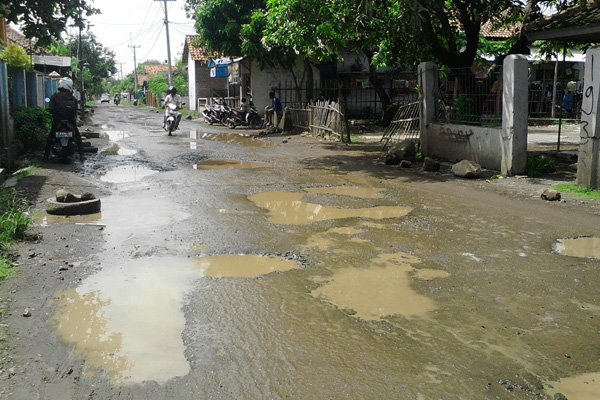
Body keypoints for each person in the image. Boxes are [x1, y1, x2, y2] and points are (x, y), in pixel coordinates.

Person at [43, 77, 85, 162]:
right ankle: (82, 155)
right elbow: (76, 111)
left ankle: (46, 155)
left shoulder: (55, 96)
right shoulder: (72, 98)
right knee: (77, 135)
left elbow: (50, 108)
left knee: (51, 136)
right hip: (70, 121)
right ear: (69, 86)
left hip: (57, 120)